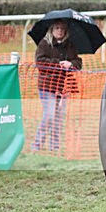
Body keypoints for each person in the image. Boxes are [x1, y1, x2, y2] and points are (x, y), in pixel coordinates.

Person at [32, 20, 82, 152]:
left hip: (63, 87)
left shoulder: (69, 45)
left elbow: (78, 62)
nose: (60, 31)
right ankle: (37, 144)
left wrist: (70, 64)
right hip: (47, 86)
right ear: (52, 30)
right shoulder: (44, 44)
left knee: (58, 117)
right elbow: (40, 62)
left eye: (62, 29)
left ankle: (54, 146)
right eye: (57, 28)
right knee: (49, 114)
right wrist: (59, 64)